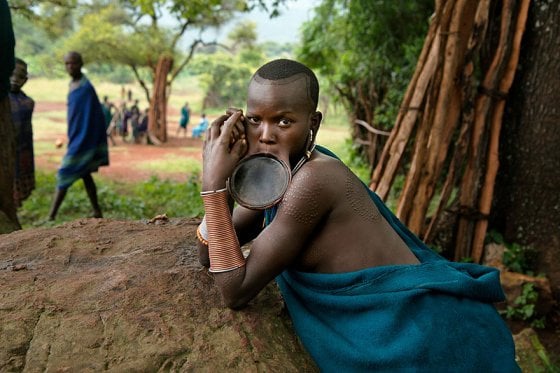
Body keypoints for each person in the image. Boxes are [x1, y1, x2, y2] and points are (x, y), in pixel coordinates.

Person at [196, 59, 520, 371]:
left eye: (283, 121)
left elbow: (235, 290)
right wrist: (226, 181)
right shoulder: (276, 173)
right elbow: (208, 252)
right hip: (398, 327)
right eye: (255, 120)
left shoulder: (314, 179)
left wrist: (213, 186)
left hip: (414, 335)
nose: (266, 134)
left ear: (314, 123)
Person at [48, 51, 109, 220]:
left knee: (64, 172)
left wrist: (85, 137)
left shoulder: (86, 88)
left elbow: (94, 115)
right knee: (86, 174)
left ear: (81, 64)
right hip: (76, 136)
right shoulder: (73, 84)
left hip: (84, 139)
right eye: (67, 64)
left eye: (73, 63)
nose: (70, 67)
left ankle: (51, 217)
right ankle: (97, 211)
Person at [9, 58, 35, 208]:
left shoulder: (27, 103)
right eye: (12, 74)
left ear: (25, 80)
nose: (15, 80)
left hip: (20, 154)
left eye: (20, 77)